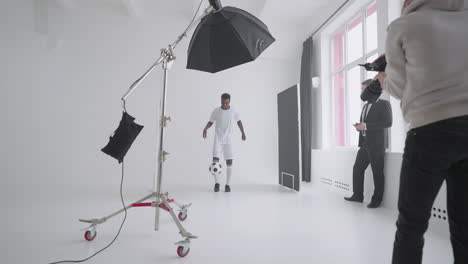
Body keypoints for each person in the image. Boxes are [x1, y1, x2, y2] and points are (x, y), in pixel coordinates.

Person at [376, 0, 468, 263]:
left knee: (411, 226)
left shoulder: (403, 26)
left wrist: (385, 76)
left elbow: (397, 88)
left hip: (429, 132)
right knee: (465, 228)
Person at [345, 79, 392, 208]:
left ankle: (377, 200)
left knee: (377, 172)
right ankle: (358, 196)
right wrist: (360, 126)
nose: (362, 91)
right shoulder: (365, 106)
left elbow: (388, 123)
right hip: (365, 144)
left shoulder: (384, 103)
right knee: (357, 168)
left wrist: (365, 126)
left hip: (377, 145)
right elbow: (366, 125)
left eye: (363, 89)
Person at [203, 93, 246, 193]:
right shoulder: (216, 111)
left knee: (229, 162)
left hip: (228, 140)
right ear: (221, 101)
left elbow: (239, 121)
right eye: (222, 102)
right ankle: (217, 183)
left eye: (226, 103)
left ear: (229, 101)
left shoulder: (233, 111)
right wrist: (205, 128)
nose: (224, 104)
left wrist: (243, 132)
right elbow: (211, 121)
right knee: (215, 161)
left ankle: (228, 185)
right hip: (218, 139)